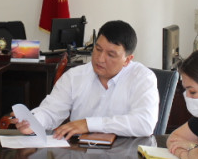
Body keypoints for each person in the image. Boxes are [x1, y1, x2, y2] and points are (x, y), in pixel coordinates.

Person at [14, 20, 159, 139]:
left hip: (124, 156)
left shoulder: (142, 78)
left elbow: (144, 123)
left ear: (127, 60)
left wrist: (88, 124)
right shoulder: (74, 76)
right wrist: (33, 122)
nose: (100, 59)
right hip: (81, 154)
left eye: (111, 55)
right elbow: (51, 111)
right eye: (98, 49)